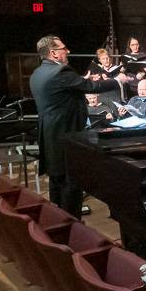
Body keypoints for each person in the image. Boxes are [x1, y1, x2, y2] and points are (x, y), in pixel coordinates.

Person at [30, 35, 127, 217]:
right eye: (64, 48)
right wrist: (118, 80)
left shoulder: (38, 73)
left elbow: (65, 90)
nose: (68, 51)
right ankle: (72, 226)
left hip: (50, 134)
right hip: (67, 134)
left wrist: (81, 79)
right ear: (54, 53)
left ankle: (58, 221)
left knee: (56, 179)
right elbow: (91, 87)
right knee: (70, 181)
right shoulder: (60, 72)